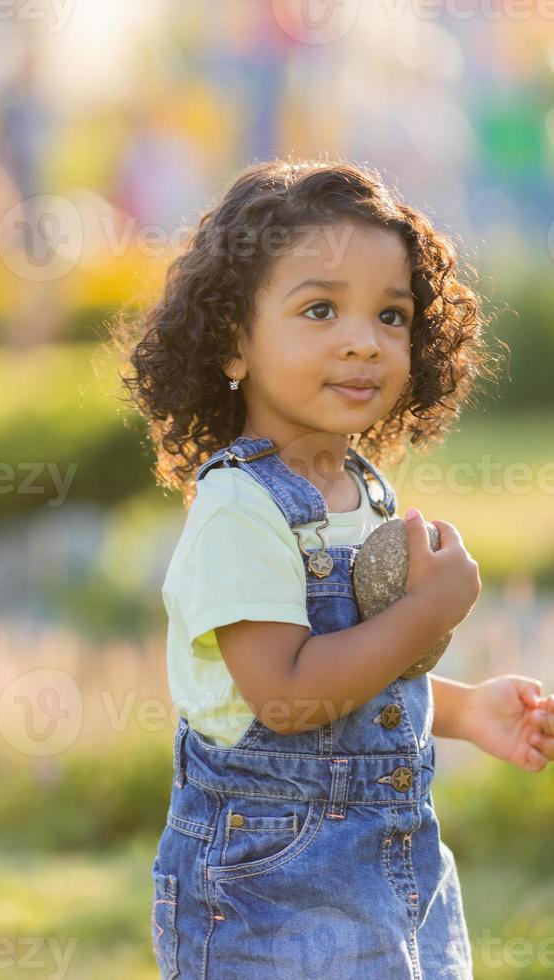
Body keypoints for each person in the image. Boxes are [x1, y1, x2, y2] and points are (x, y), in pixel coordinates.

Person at [113, 157, 554, 978]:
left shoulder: (363, 495)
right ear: (234, 341)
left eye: (392, 315)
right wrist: (431, 613)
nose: (364, 340)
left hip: (396, 870)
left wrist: (463, 712)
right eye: (321, 309)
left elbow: (362, 684)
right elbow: (287, 695)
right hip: (272, 889)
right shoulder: (241, 510)